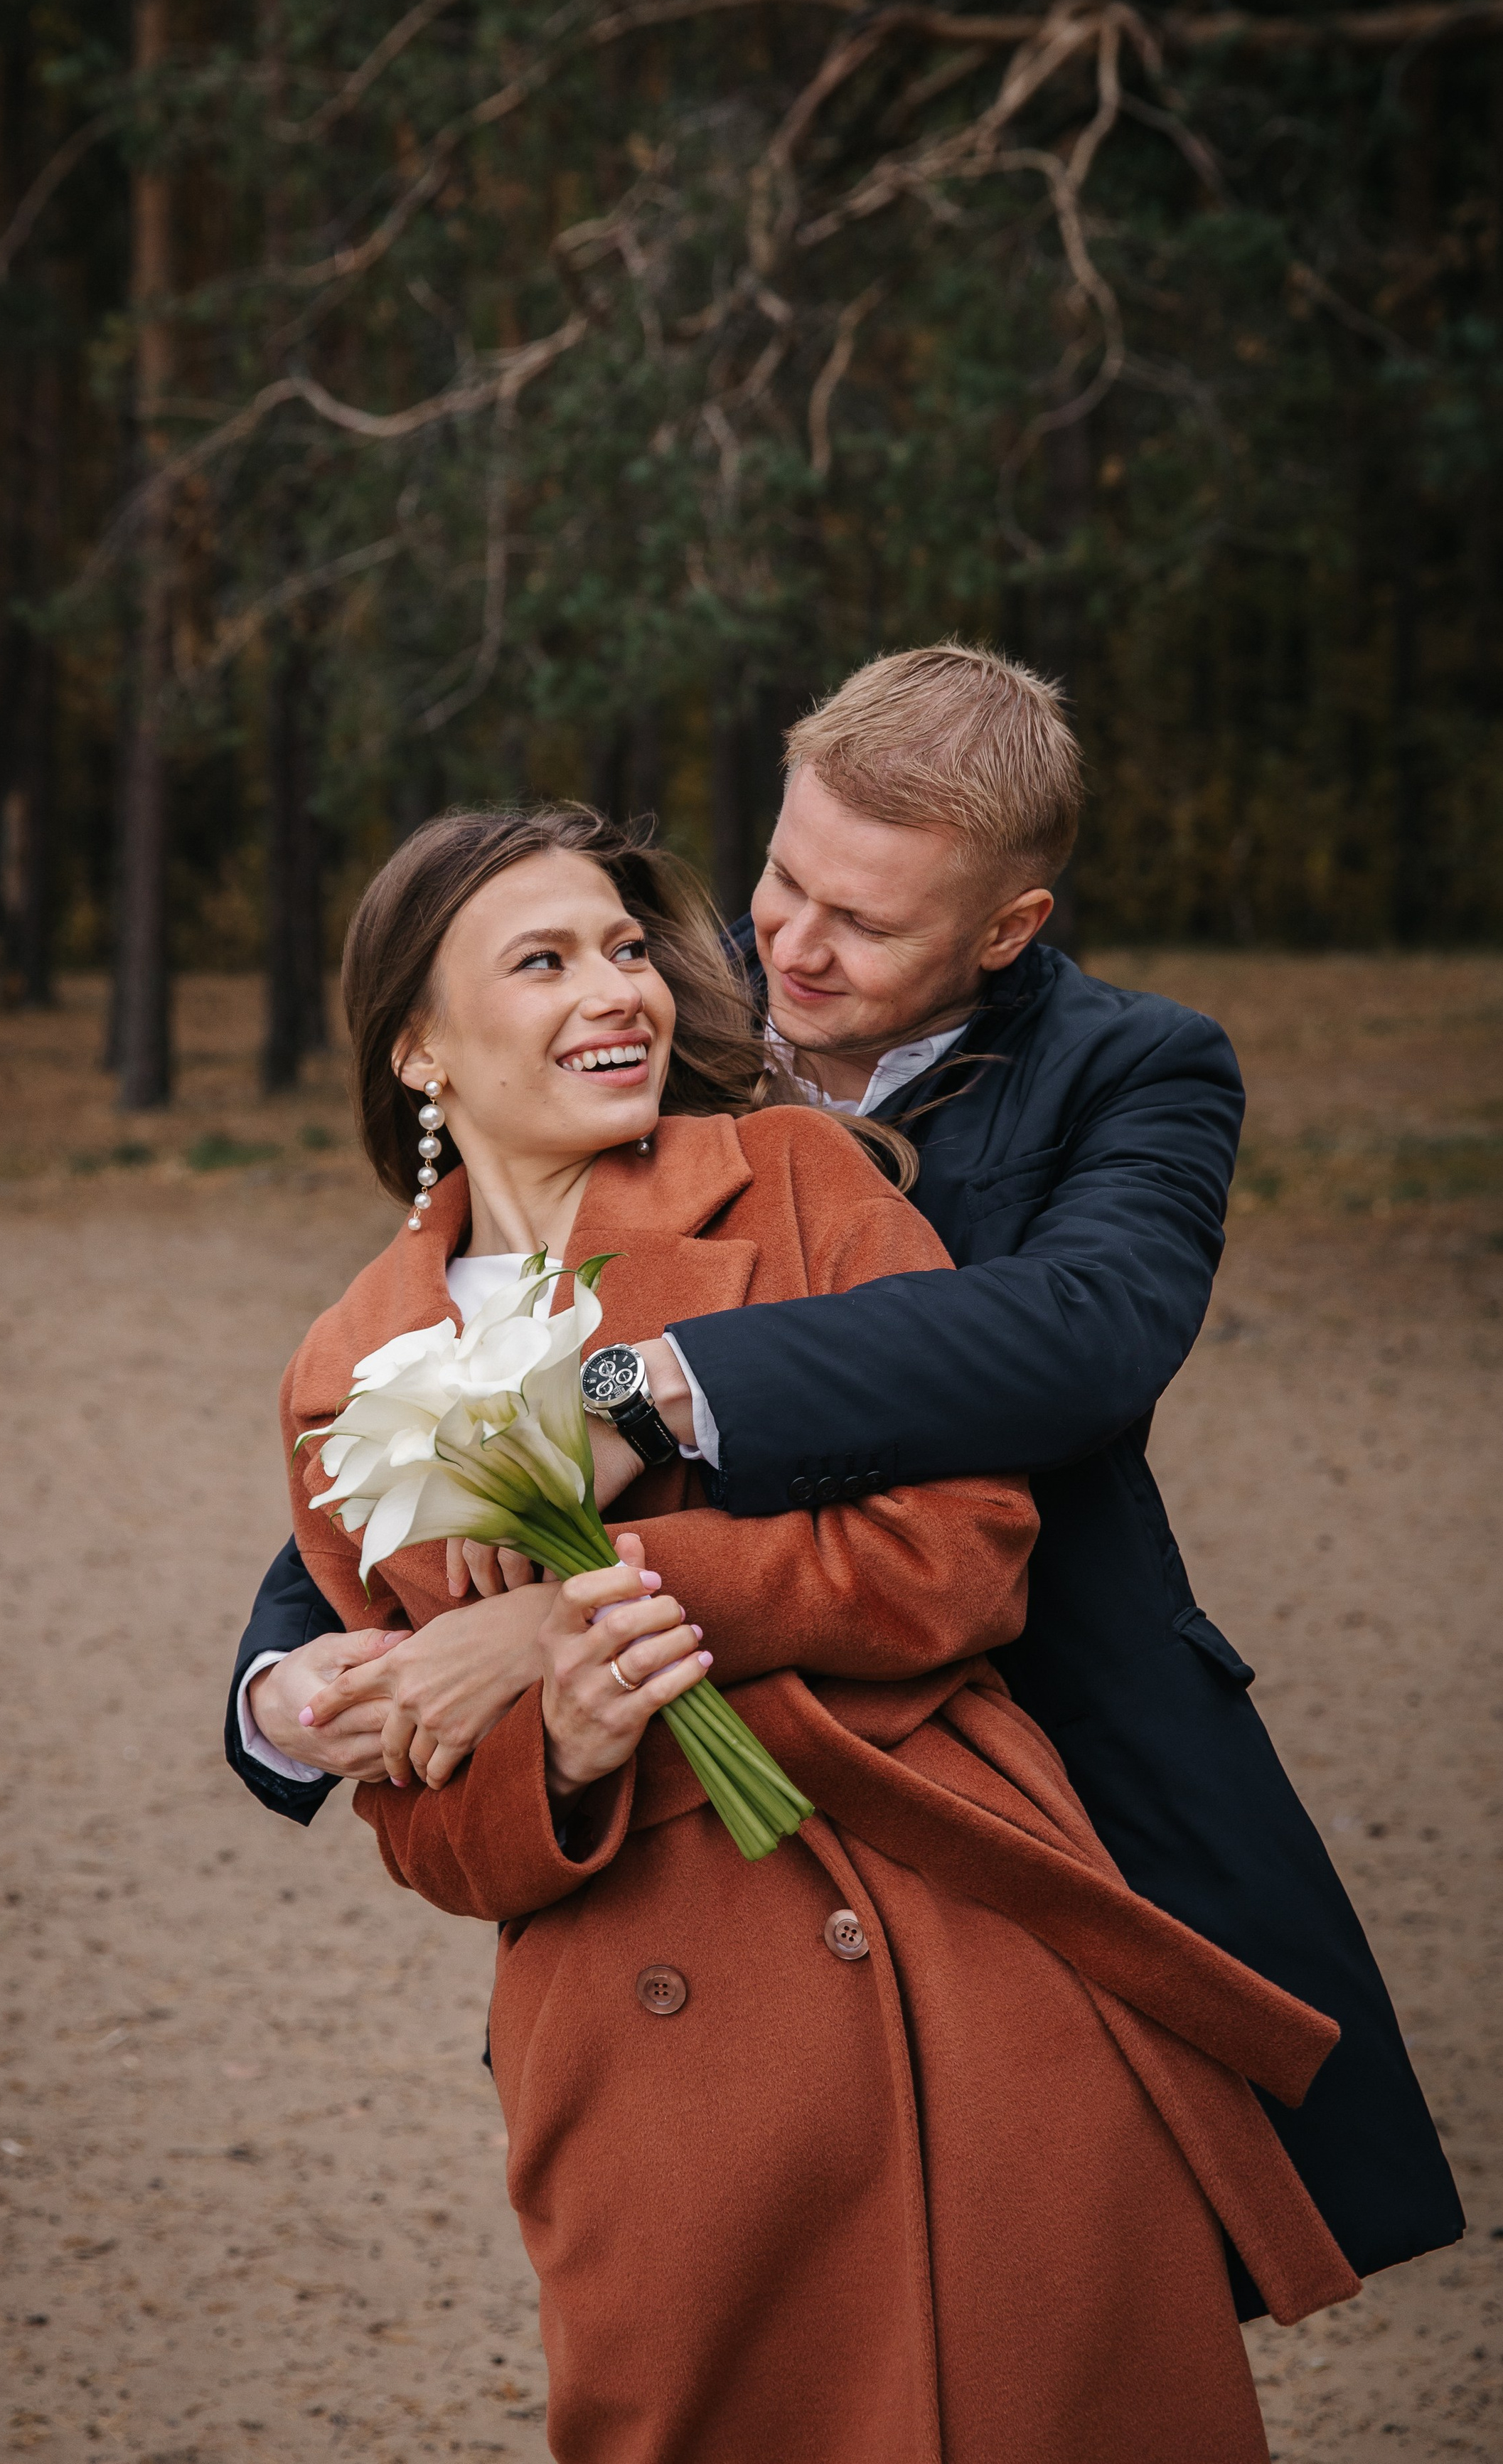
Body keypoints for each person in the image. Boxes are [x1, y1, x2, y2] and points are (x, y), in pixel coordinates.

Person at [229, 646, 1462, 2304]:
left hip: (1031, 1727)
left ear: (1004, 929)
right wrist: (286, 1671)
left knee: (1070, 2288)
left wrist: (638, 1408)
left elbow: (1084, 1332)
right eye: (780, 881)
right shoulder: (651, 1004)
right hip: (690, 1855)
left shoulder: (1134, 1067)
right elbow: (456, 1383)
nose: (789, 949)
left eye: (862, 923)